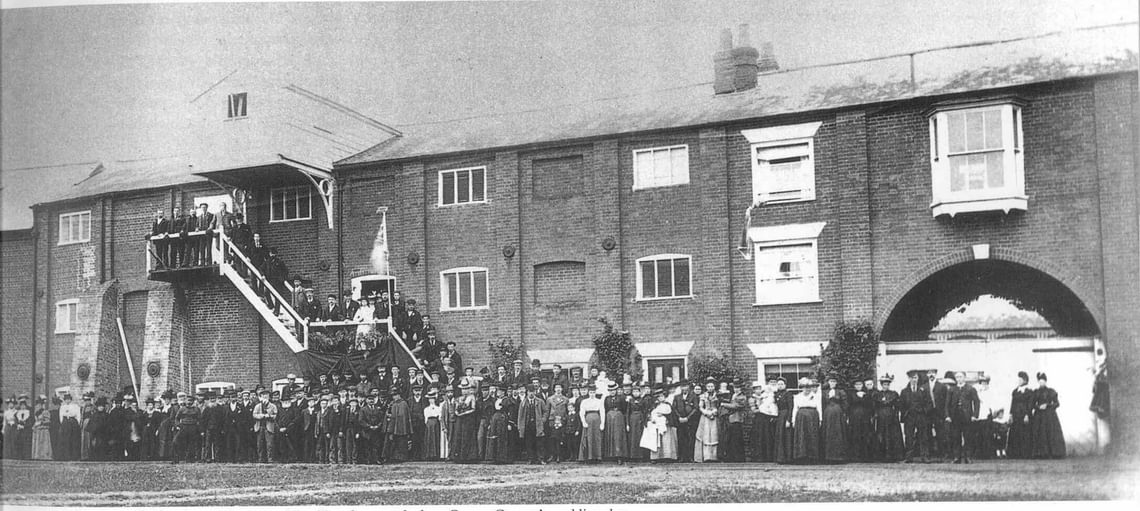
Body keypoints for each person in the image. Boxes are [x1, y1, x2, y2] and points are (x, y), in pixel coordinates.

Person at [899, 369, 933, 463]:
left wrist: (924, 411)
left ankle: (925, 456)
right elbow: (901, 405)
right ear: (909, 378)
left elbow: (929, 403)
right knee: (909, 436)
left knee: (923, 436)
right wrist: (904, 415)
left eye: (916, 377)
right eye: (912, 378)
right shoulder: (904, 391)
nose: (914, 380)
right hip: (909, 417)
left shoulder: (923, 390)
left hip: (921, 416)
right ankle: (909, 457)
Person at [1030, 372, 1065, 458]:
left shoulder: (1051, 391)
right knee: (1040, 433)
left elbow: (1057, 403)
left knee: (1051, 432)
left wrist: (1048, 405)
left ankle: (1054, 453)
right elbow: (1032, 404)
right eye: (1040, 381)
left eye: (1043, 381)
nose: (1041, 383)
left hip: (1049, 415)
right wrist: (1038, 407)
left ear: (1046, 382)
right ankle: (1041, 453)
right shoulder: (1036, 392)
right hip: (1039, 416)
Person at [947, 371, 979, 464]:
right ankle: (957, 457)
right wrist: (948, 416)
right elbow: (947, 404)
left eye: (960, 377)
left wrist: (974, 415)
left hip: (967, 417)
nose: (959, 379)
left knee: (968, 437)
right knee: (956, 437)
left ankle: (968, 457)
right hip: (955, 416)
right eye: (957, 377)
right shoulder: (952, 389)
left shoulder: (970, 389)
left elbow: (976, 402)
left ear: (964, 378)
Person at [641, 385, 678, 462]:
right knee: (655, 441)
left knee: (666, 440)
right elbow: (648, 413)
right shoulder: (653, 405)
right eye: (658, 397)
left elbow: (672, 414)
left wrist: (665, 416)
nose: (660, 398)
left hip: (665, 425)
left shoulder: (668, 405)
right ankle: (655, 457)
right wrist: (650, 418)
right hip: (655, 426)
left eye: (662, 396)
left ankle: (667, 456)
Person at [873, 374, 905, 462]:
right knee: (881, 435)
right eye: (884, 384)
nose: (885, 386)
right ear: (881, 385)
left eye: (887, 384)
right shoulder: (877, 395)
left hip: (891, 417)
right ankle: (882, 456)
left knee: (892, 435)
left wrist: (896, 414)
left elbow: (898, 405)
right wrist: (876, 414)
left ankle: (893, 456)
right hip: (881, 417)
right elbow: (875, 406)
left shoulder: (893, 394)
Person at [791, 378, 822, 464]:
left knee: (812, 435)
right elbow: (795, 409)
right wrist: (793, 420)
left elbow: (819, 408)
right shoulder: (797, 397)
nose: (807, 389)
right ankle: (801, 456)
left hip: (812, 417)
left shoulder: (816, 396)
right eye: (805, 387)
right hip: (801, 418)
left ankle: (812, 457)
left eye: (808, 387)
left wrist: (820, 419)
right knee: (802, 436)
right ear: (802, 388)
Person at [518, 384, 548, 464]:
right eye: (529, 392)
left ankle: (541, 459)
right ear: (527, 392)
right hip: (527, 425)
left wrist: (543, 420)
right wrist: (520, 427)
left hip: (537, 425)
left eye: (532, 392)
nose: (531, 393)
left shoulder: (540, 401)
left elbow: (545, 411)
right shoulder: (523, 403)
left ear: (535, 392)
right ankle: (530, 459)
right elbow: (520, 416)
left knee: (539, 443)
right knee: (529, 443)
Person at [821, 375, 848, 463]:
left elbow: (845, 404)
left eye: (834, 382)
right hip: (827, 414)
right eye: (831, 382)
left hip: (838, 414)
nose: (832, 383)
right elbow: (822, 404)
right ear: (828, 383)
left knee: (838, 433)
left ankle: (839, 456)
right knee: (828, 433)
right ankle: (828, 456)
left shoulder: (840, 392)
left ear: (836, 383)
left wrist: (844, 413)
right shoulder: (824, 392)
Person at [1008, 371, 1035, 458]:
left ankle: (1025, 453)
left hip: (1024, 415)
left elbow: (1030, 404)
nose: (1018, 381)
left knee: (1025, 434)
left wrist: (1027, 415)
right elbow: (1012, 404)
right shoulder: (1015, 391)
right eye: (1018, 379)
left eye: (1020, 379)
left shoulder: (1029, 391)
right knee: (1015, 433)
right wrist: (1011, 415)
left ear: (1025, 380)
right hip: (1016, 415)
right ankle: (1015, 453)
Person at [750, 378, 778, 462]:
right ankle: (759, 457)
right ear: (754, 390)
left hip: (766, 419)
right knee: (759, 438)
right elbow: (754, 410)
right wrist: (762, 408)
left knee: (767, 437)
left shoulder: (765, 396)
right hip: (758, 419)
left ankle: (768, 456)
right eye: (756, 389)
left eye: (759, 388)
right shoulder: (752, 398)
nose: (758, 390)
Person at [577, 384, 605, 463]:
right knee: (587, 438)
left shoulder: (599, 401)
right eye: (590, 392)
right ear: (588, 393)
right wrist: (583, 422)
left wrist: (602, 423)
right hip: (588, 419)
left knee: (597, 438)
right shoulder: (584, 401)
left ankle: (597, 457)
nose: (592, 394)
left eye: (593, 392)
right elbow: (581, 412)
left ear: (595, 393)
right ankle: (588, 457)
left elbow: (602, 412)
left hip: (597, 420)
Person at [673, 381, 699, 463]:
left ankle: (690, 457)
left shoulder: (693, 396)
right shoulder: (677, 397)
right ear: (680, 388)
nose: (684, 388)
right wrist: (679, 417)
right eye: (682, 386)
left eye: (686, 386)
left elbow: (695, 408)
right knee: (681, 438)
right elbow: (674, 408)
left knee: (690, 438)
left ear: (688, 387)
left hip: (690, 421)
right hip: (680, 421)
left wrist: (688, 418)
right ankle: (681, 457)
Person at [384, 389, 413, 463]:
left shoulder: (404, 404)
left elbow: (405, 416)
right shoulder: (392, 404)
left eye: (396, 395)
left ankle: (402, 457)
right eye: (393, 396)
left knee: (402, 442)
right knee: (394, 442)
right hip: (394, 427)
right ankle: (394, 457)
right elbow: (391, 415)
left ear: (399, 395)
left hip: (402, 427)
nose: (395, 397)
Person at [694, 379, 719, 462]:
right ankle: (706, 456)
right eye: (708, 386)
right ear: (706, 387)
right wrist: (706, 412)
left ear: (714, 387)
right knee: (705, 434)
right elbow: (700, 407)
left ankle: (714, 456)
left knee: (714, 434)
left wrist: (714, 412)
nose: (710, 388)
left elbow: (719, 406)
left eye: (712, 386)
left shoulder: (717, 395)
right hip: (705, 417)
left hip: (714, 417)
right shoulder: (703, 396)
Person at [252, 389, 278, 463]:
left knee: (270, 444)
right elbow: (254, 415)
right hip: (259, 427)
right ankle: (260, 459)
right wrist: (262, 416)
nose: (265, 397)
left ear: (269, 397)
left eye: (267, 395)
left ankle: (270, 459)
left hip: (269, 427)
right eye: (263, 395)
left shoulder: (273, 406)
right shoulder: (257, 406)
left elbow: (276, 416)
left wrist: (269, 416)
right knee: (260, 444)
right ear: (261, 397)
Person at [57, 393, 81, 461]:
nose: (67, 401)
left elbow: (78, 415)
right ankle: (66, 456)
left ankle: (74, 456)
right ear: (64, 400)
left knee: (73, 439)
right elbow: (61, 416)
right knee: (65, 439)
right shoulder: (62, 407)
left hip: (73, 422)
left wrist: (77, 423)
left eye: (69, 399)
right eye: (66, 399)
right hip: (65, 423)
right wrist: (63, 423)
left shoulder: (75, 406)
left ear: (71, 400)